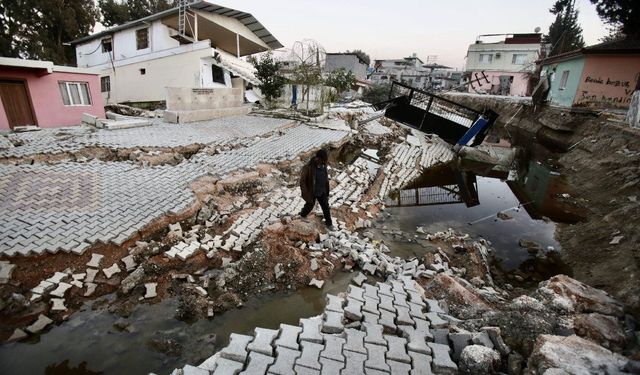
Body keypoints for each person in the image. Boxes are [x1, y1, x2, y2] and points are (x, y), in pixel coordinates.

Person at [299, 149, 333, 229]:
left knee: (325, 207)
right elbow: (302, 181)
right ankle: (303, 215)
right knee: (310, 205)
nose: (324, 161)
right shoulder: (309, 167)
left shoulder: (323, 165)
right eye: (322, 160)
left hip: (322, 190)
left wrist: (327, 190)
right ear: (317, 158)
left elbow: (325, 179)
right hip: (312, 191)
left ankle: (329, 224)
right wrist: (306, 192)